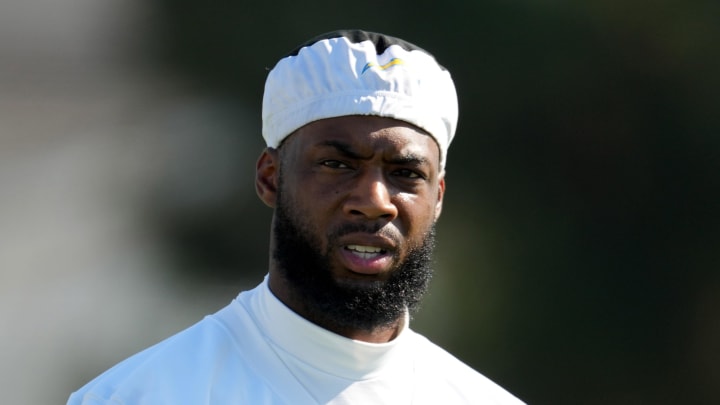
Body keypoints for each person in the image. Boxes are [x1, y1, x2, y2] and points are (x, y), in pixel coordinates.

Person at [67, 29, 525, 404]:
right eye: (337, 164)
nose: (374, 200)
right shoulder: (140, 395)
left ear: (438, 196)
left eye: (405, 173)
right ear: (270, 178)